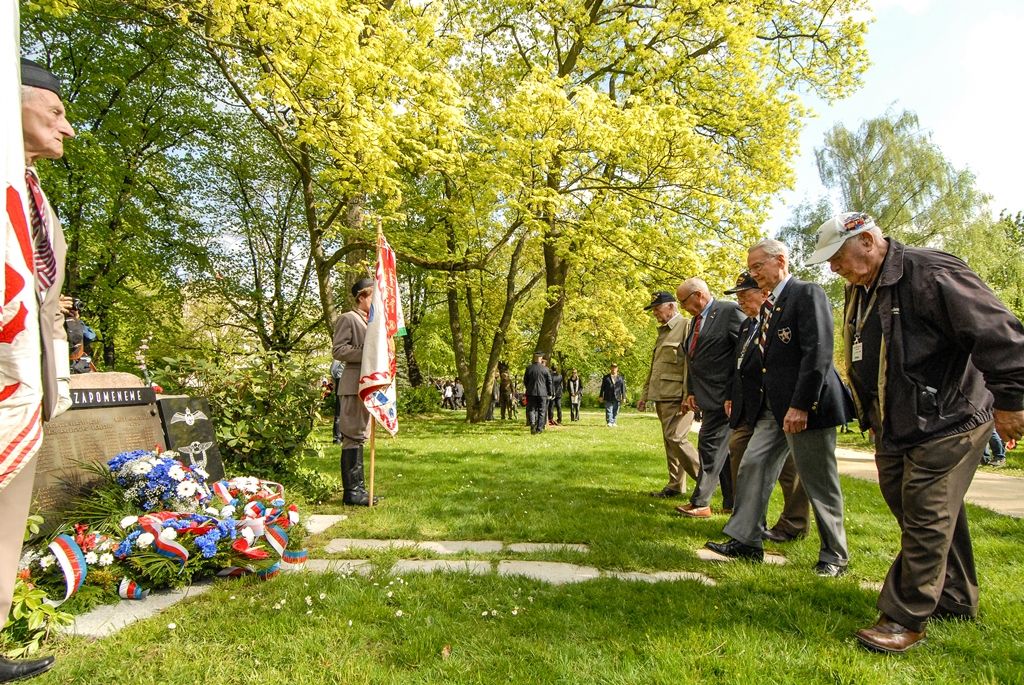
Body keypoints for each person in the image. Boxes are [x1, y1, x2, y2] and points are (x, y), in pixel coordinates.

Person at [807, 212, 1024, 653]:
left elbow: (998, 334)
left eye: (837, 258)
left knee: (927, 512)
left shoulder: (932, 273)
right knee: (919, 509)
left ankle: (904, 616)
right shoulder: (861, 289)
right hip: (896, 423)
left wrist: (1013, 400)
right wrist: (871, 416)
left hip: (950, 419)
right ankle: (956, 597)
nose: (834, 269)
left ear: (867, 241)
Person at [706, 239, 850, 580]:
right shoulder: (769, 305)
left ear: (780, 261)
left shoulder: (806, 293)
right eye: (751, 268)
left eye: (758, 267)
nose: (754, 274)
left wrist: (801, 404)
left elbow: (818, 353)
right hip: (774, 408)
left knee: (818, 480)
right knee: (752, 464)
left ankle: (835, 555)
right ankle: (746, 540)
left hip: (806, 406)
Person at [0, 57, 77, 683]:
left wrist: (58, 386)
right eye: (55, 111)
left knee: (5, 520)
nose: (68, 128)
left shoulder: (37, 200)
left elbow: (42, 304)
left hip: (23, 386)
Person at [722, 271, 809, 541]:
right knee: (740, 452)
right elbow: (737, 366)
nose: (741, 303)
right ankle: (747, 523)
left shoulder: (780, 319)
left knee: (790, 468)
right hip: (750, 406)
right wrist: (731, 395)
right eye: (738, 298)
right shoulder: (747, 326)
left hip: (780, 403)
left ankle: (793, 524)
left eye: (745, 296)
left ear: (763, 294)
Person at [674, 278, 744, 518]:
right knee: (720, 450)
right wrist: (691, 391)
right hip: (706, 394)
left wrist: (734, 392)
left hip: (724, 395)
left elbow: (743, 353)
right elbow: (693, 358)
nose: (682, 307)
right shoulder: (697, 320)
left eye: (683, 301)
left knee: (709, 444)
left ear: (698, 295)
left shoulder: (729, 311)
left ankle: (701, 502)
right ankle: (731, 501)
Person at [637, 292, 700, 498]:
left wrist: (687, 394)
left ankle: (709, 478)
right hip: (662, 395)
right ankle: (675, 485)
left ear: (672, 307)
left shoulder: (686, 326)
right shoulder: (663, 332)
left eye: (657, 308)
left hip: (677, 396)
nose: (654, 312)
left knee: (676, 438)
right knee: (669, 441)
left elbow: (690, 365)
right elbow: (655, 367)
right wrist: (645, 394)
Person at [331, 277, 379, 506]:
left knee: (361, 434)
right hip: (352, 385)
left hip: (365, 384)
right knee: (352, 435)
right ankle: (352, 492)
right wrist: (368, 353)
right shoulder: (348, 319)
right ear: (362, 297)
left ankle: (359, 489)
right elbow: (339, 350)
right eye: (373, 297)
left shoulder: (371, 322)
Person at [523, 352, 552, 434]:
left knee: (531, 409)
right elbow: (549, 382)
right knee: (542, 411)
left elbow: (525, 381)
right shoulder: (545, 369)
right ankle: (539, 429)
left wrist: (529, 388)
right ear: (541, 358)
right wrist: (550, 392)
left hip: (531, 392)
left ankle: (532, 424)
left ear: (534, 358)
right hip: (542, 393)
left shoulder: (529, 368)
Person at [329, 360, 344, 444]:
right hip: (341, 379)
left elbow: (333, 370)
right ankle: (337, 437)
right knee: (339, 409)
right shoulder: (341, 350)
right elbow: (333, 369)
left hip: (346, 379)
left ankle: (343, 436)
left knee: (346, 409)